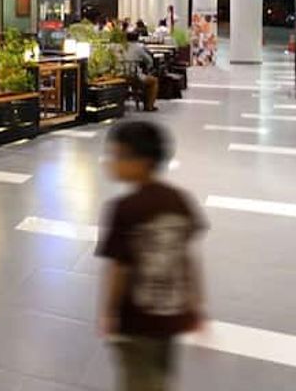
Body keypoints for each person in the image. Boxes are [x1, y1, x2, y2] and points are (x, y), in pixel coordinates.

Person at [97, 121, 205, 391]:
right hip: (172, 313)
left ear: (141, 162)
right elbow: (187, 257)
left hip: (137, 320)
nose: (110, 163)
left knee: (140, 380)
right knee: (160, 372)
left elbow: (120, 269)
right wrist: (196, 303)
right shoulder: (179, 200)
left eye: (117, 156)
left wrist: (109, 312)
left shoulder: (124, 208)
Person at [127, 40, 159, 112]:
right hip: (133, 77)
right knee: (154, 81)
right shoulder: (138, 48)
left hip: (117, 76)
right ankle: (149, 106)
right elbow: (149, 61)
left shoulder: (116, 47)